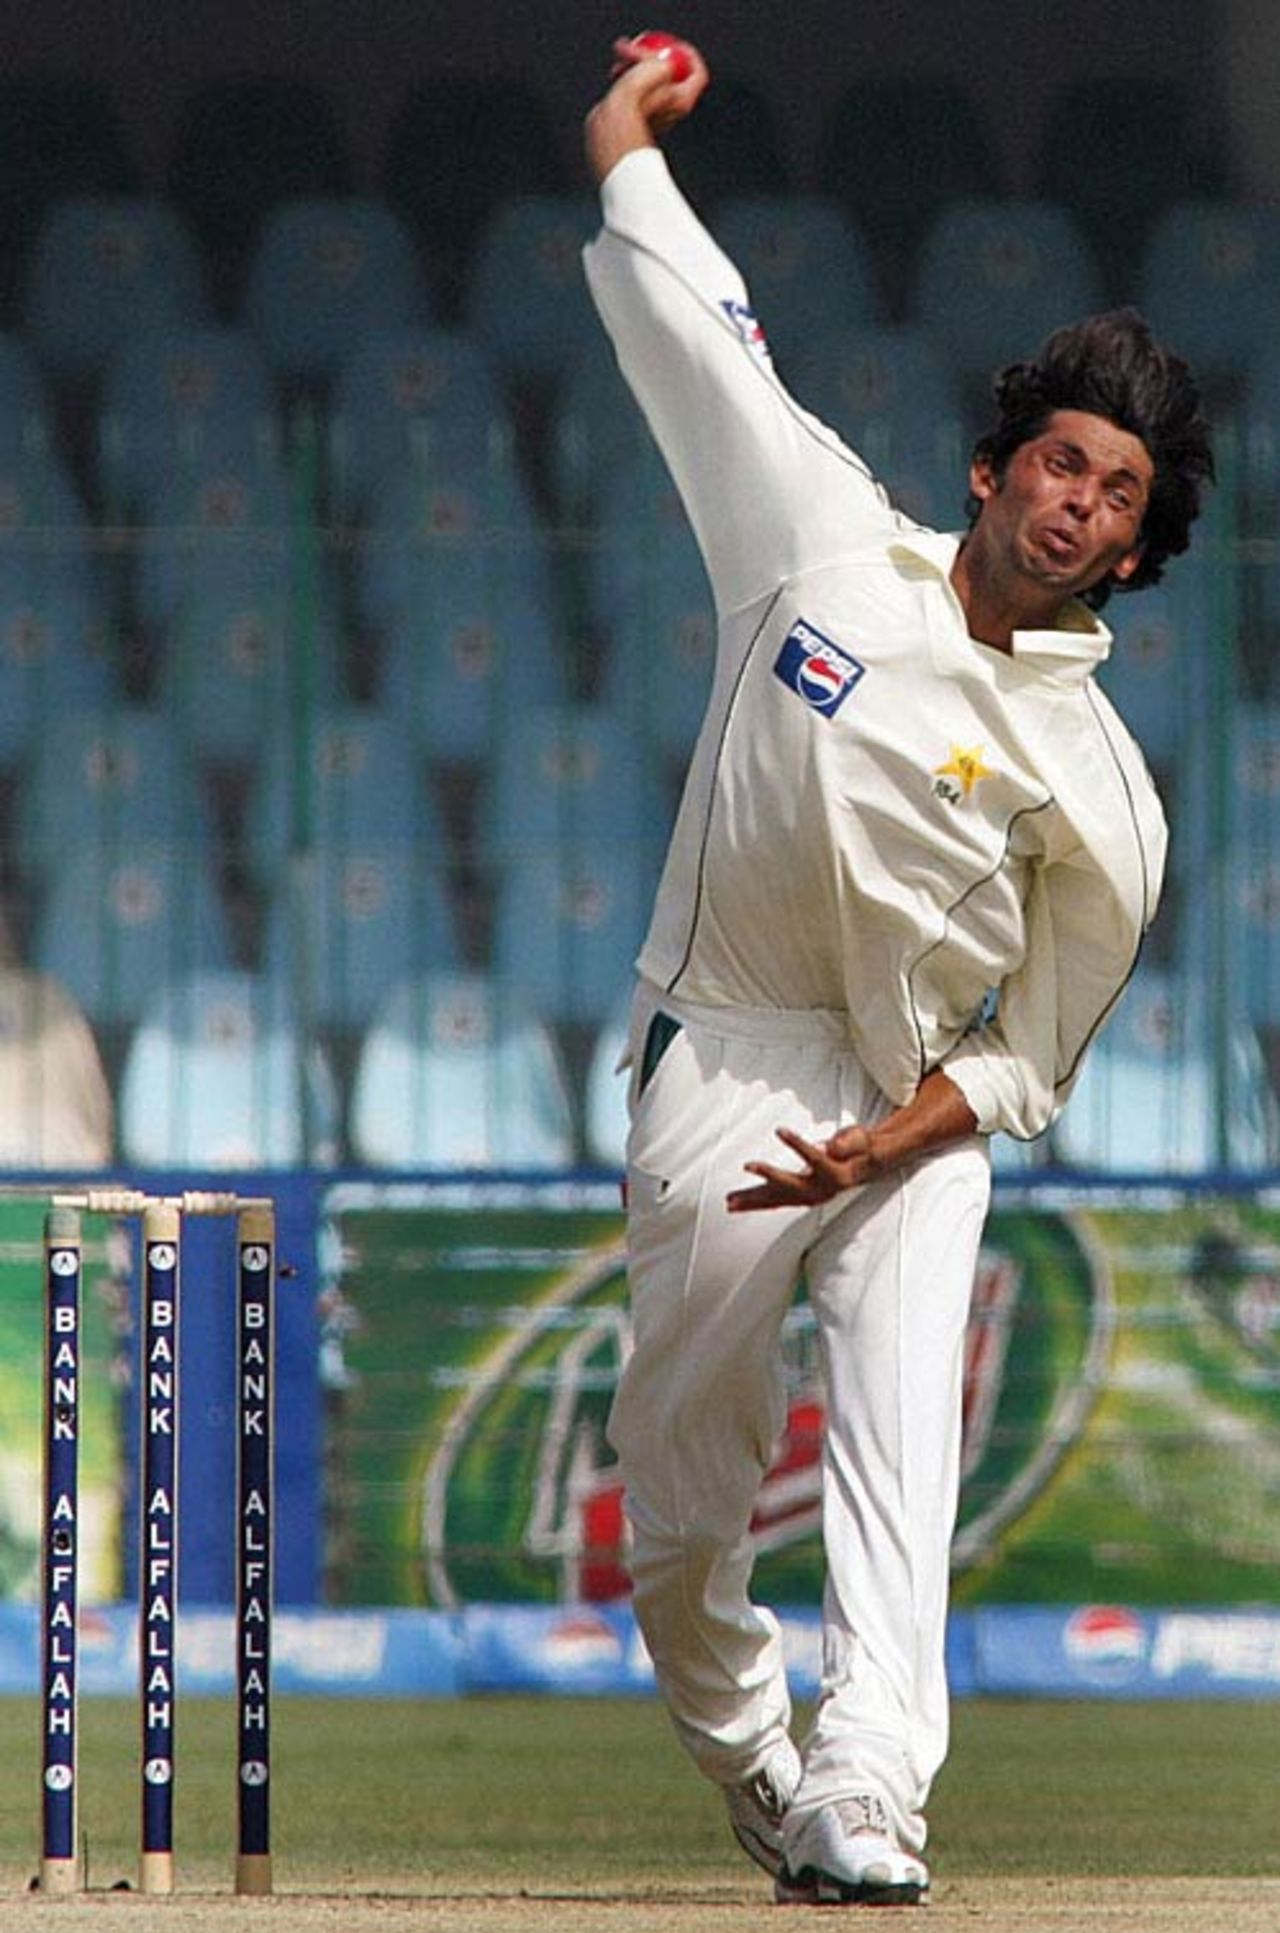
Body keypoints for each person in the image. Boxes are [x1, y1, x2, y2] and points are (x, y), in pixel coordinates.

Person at [581, 35, 1213, 1909]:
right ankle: (764, 1761)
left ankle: (874, 1789)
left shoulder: (1104, 793)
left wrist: (903, 1135)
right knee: (680, 1514)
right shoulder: (819, 547)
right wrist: (625, 138)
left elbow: (1032, 1052)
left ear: (1137, 546)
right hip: (730, 1060)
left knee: (892, 1456)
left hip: (914, 1105)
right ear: (996, 464)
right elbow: (704, 328)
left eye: (1120, 496)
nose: (1082, 502)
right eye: (1065, 461)